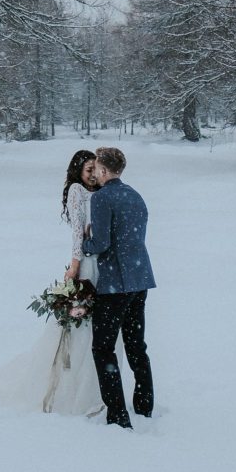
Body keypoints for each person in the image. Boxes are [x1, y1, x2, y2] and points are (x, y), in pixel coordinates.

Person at [0, 149, 112, 416]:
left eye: (95, 169)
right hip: (87, 262)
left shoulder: (100, 192)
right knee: (84, 324)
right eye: (88, 169)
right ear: (77, 170)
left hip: (102, 261)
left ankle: (96, 385)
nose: (92, 174)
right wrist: (76, 264)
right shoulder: (77, 190)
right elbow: (78, 230)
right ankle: (74, 386)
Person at [82, 146, 155, 429]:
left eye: (96, 169)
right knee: (136, 345)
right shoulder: (135, 195)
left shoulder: (102, 198)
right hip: (140, 280)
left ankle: (117, 415)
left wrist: (86, 242)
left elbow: (100, 244)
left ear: (102, 170)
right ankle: (144, 405)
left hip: (115, 284)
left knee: (103, 348)